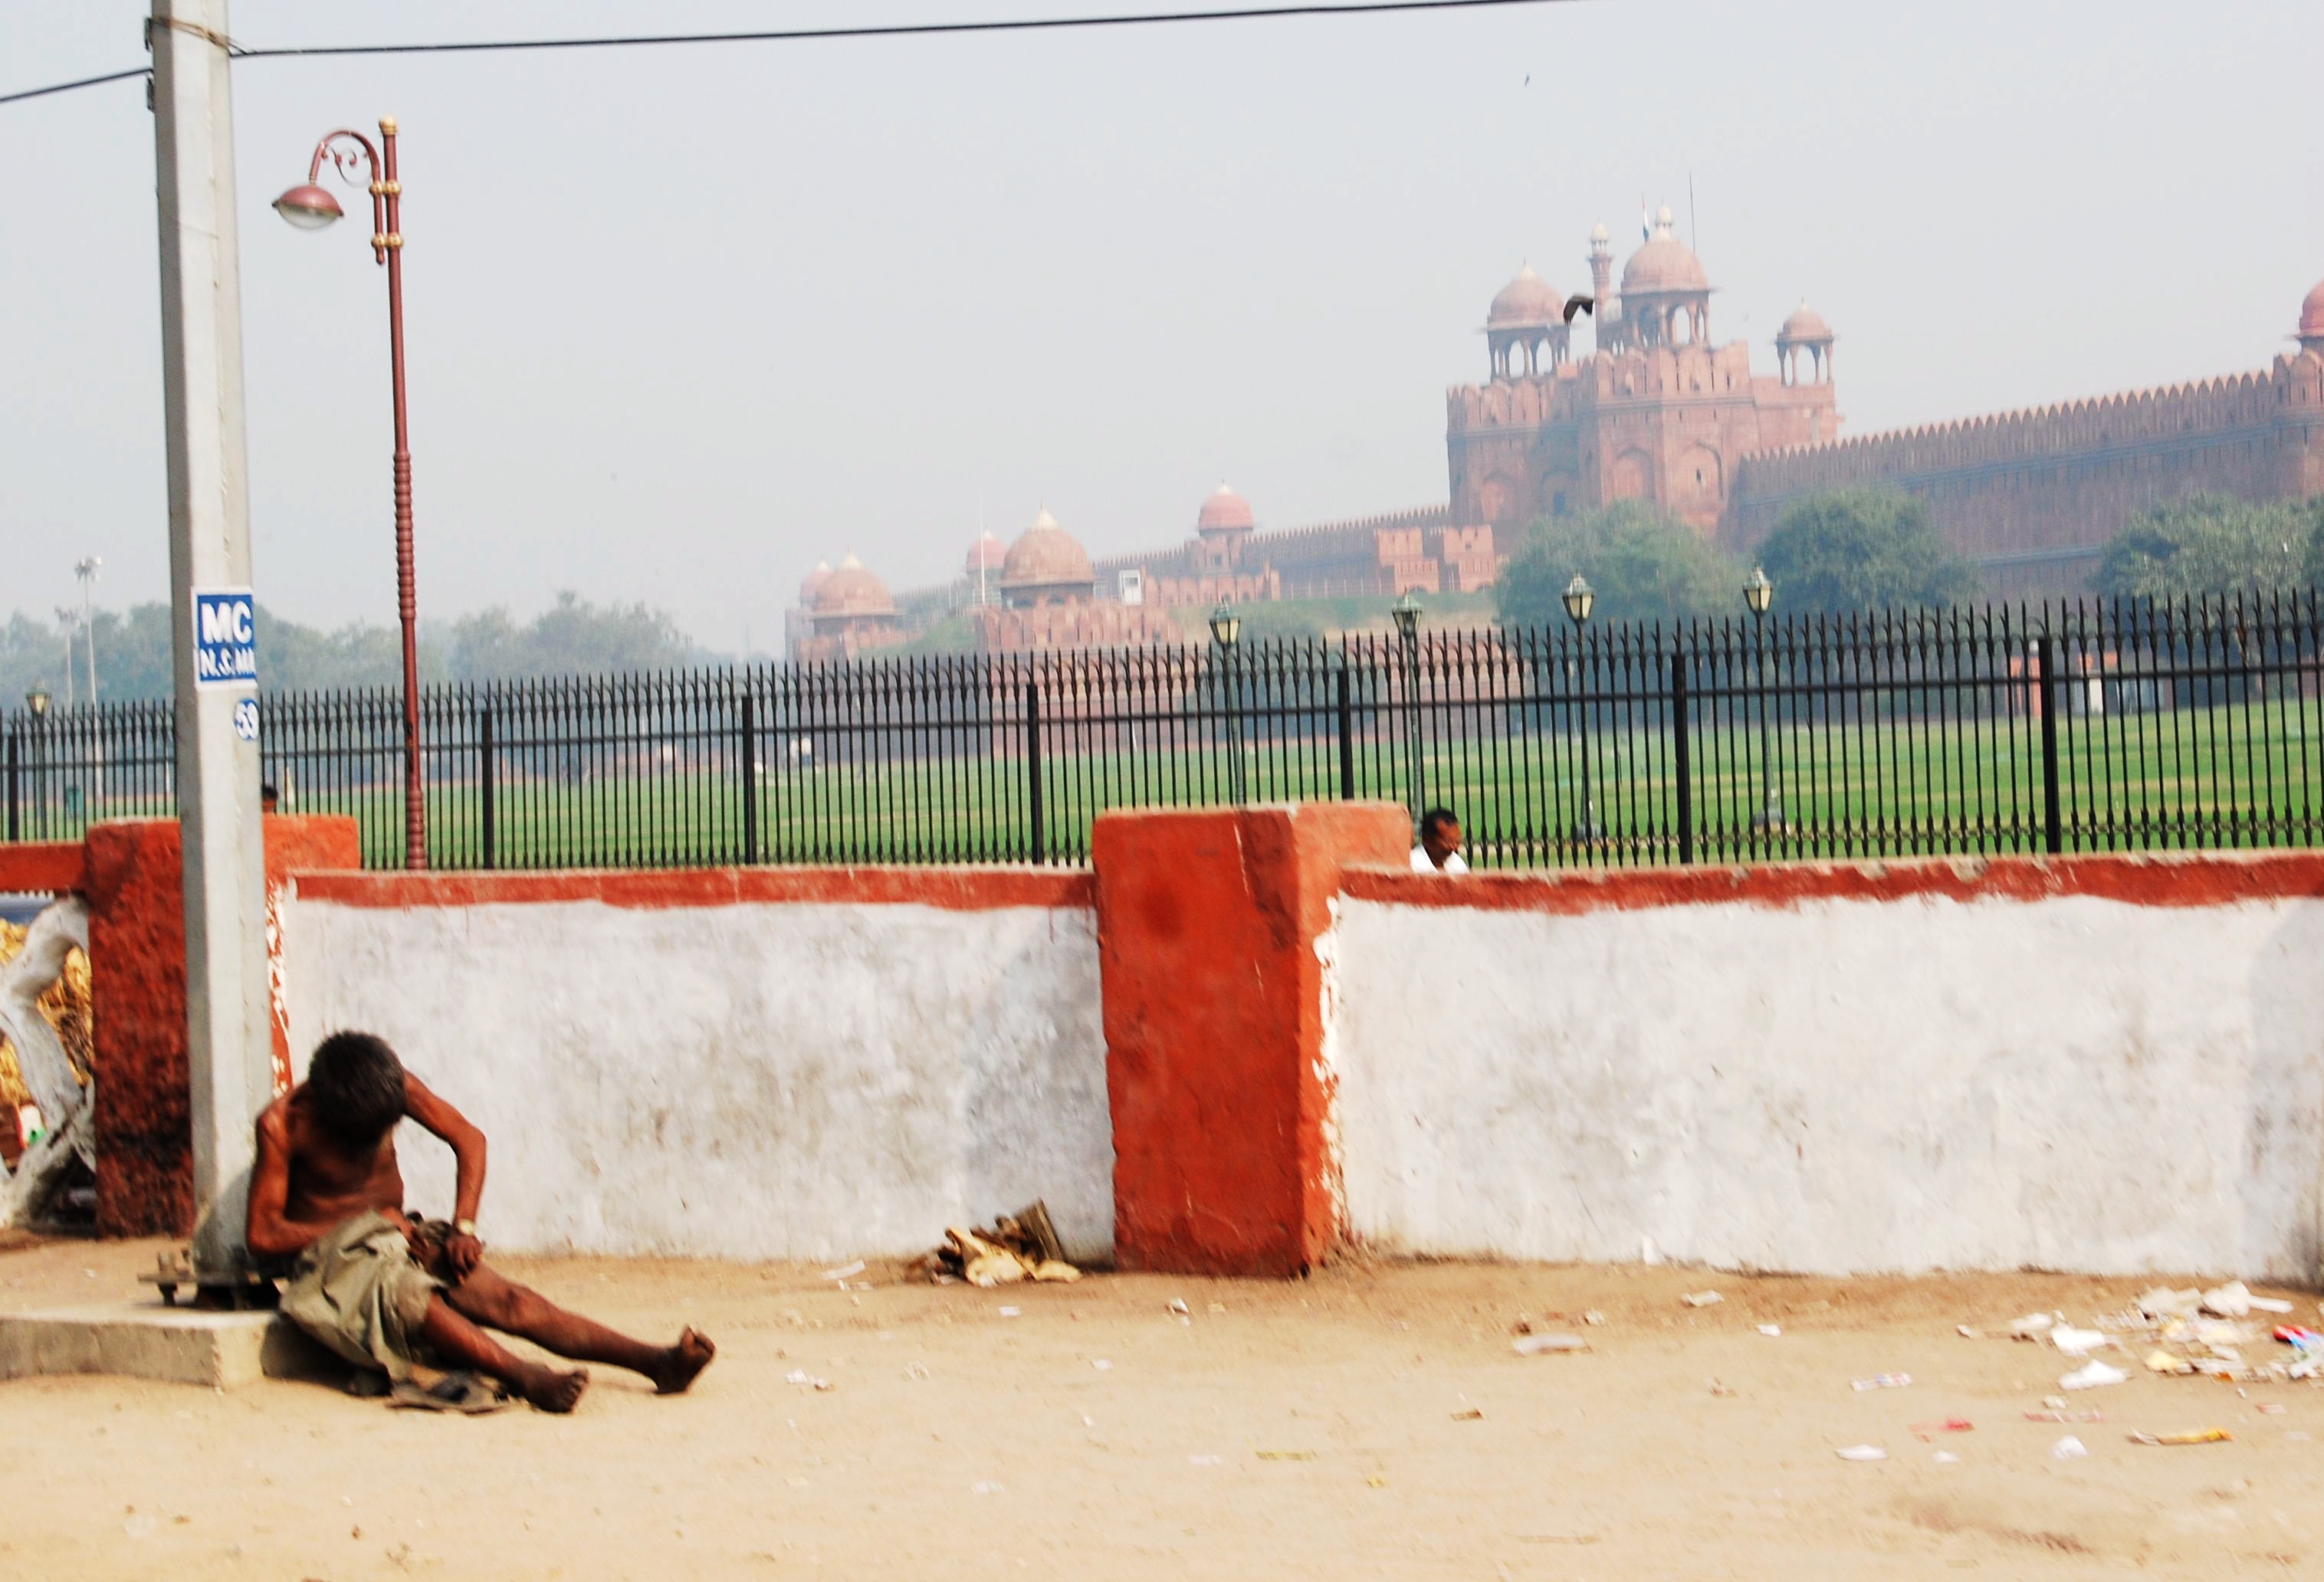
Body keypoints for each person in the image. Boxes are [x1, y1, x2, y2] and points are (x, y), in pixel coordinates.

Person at [248, 1031, 714, 1413]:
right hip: (336, 1261)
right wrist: (368, 1222)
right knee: (416, 1298)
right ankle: (526, 1377)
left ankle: (657, 1363)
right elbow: (263, 1235)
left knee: (510, 1300)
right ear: (332, 1116)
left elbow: (469, 1139)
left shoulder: (392, 1088)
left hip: (402, 1235)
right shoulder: (283, 1126)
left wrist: (464, 1227)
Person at [1411, 807, 1469, 874]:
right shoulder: (1413, 865)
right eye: (1448, 842)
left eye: (1457, 842)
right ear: (1427, 840)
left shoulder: (1456, 861)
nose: (1454, 847)